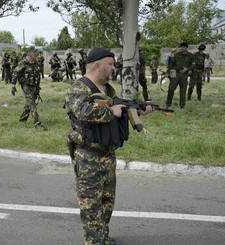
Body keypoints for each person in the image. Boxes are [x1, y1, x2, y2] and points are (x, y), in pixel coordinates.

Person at [65, 47, 153, 245]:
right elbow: (83, 111)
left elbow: (118, 107)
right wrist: (111, 112)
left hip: (107, 156)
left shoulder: (107, 90)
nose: (114, 68)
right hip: (88, 158)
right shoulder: (79, 87)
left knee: (106, 203)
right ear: (98, 65)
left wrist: (139, 110)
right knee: (91, 206)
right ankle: (95, 242)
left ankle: (101, 237)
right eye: (110, 64)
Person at [11, 48, 43, 128]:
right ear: (29, 54)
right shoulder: (23, 63)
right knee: (32, 103)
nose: (35, 54)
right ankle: (37, 123)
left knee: (29, 103)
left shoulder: (35, 62)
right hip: (26, 86)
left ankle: (22, 119)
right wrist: (13, 85)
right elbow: (16, 73)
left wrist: (38, 87)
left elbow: (37, 75)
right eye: (34, 52)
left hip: (35, 86)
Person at [166, 42, 194, 109]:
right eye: (181, 47)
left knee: (183, 91)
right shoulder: (177, 55)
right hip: (176, 74)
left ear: (186, 48)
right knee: (171, 89)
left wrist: (187, 69)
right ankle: (168, 104)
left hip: (184, 75)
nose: (182, 48)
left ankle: (182, 106)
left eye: (183, 47)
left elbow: (193, 64)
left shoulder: (191, 56)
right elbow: (171, 64)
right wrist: (167, 72)